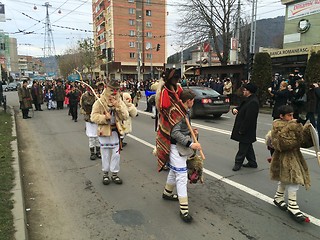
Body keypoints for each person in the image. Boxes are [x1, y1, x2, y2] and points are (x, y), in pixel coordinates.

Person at [162, 89, 201, 223]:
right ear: (188, 101)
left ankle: (167, 193)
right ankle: (184, 210)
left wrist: (191, 132)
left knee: (174, 170)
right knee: (182, 176)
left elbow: (182, 129)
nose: (193, 102)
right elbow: (175, 133)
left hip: (179, 147)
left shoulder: (184, 110)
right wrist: (191, 143)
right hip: (176, 147)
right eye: (192, 100)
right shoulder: (178, 113)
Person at [270, 105, 311, 223]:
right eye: (289, 115)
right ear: (281, 116)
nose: (292, 117)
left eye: (292, 115)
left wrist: (307, 131)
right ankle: (293, 206)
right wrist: (293, 128)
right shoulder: (277, 127)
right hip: (283, 157)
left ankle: (278, 197)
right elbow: (282, 144)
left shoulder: (293, 125)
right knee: (295, 179)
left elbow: (303, 142)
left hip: (295, 156)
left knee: (286, 178)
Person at [91, 80, 129, 185]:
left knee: (116, 154)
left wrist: (118, 107)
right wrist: (104, 118)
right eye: (112, 90)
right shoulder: (100, 101)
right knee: (105, 154)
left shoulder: (119, 101)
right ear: (107, 89)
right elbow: (93, 116)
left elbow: (125, 116)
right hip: (104, 132)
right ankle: (105, 173)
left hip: (116, 132)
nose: (114, 92)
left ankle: (114, 173)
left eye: (116, 90)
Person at [231, 82, 259, 171]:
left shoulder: (253, 102)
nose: (243, 91)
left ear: (249, 91)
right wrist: (235, 109)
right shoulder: (248, 99)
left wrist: (242, 130)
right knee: (248, 146)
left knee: (243, 147)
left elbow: (249, 119)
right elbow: (241, 107)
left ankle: (237, 163)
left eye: (245, 90)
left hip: (247, 129)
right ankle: (252, 162)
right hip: (245, 129)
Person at [80, 84, 100, 160]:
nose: (94, 91)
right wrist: (95, 99)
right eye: (93, 90)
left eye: (95, 90)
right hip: (89, 118)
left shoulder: (98, 96)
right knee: (91, 137)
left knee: (98, 137)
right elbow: (86, 105)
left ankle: (98, 152)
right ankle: (92, 153)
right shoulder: (85, 96)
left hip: (97, 118)